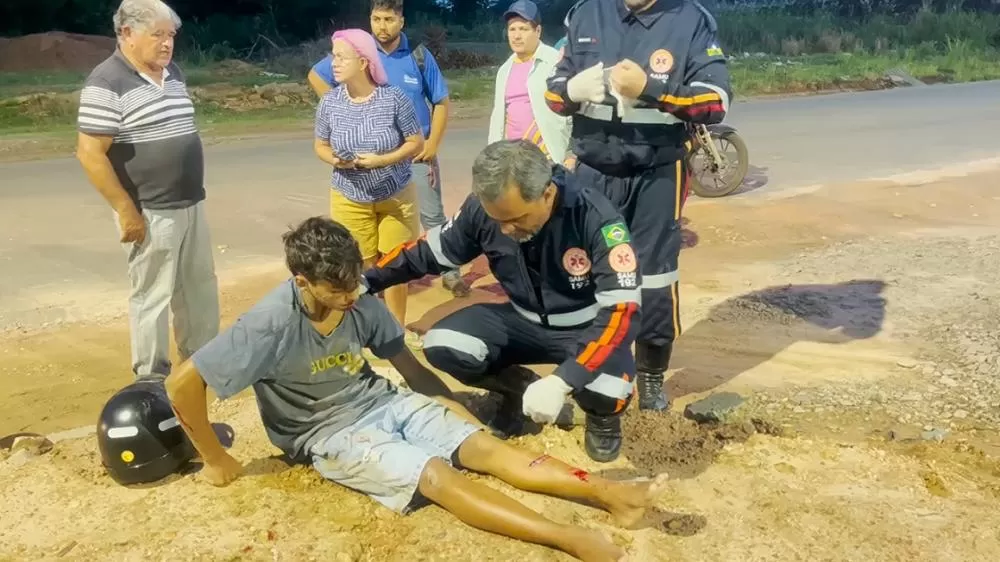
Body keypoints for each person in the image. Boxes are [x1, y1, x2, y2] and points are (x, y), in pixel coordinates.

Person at [164, 216, 668, 562]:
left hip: (379, 401)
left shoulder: (357, 297)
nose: (350, 296)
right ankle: (568, 539)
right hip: (327, 433)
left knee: (483, 448)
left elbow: (409, 369)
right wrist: (214, 458)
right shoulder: (268, 324)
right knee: (436, 477)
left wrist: (454, 411)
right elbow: (183, 383)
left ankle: (609, 494)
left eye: (354, 283)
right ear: (302, 281)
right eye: (336, 289)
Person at [365, 140, 642, 463]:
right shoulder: (485, 210)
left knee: (609, 392)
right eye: (497, 220)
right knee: (444, 344)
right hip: (521, 319)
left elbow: (623, 311)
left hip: (585, 325)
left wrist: (565, 380)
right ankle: (515, 390)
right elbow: (427, 254)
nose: (505, 229)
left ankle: (601, 419)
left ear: (547, 194)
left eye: (516, 219)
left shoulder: (595, 218)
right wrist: (367, 282)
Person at [545, 0, 732, 412]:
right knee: (581, 273)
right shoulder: (585, 14)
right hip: (592, 170)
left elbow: (716, 103)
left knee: (654, 279)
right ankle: (581, 371)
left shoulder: (691, 20)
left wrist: (652, 89)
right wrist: (571, 92)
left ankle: (649, 378)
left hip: (657, 172)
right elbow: (552, 93)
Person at [75, 0, 220, 381]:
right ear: (127, 34)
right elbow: (90, 153)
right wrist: (125, 210)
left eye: (171, 35)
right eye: (158, 35)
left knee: (199, 290)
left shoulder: (173, 73)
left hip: (190, 203)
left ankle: (199, 370)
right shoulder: (106, 82)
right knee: (152, 298)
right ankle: (152, 380)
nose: (167, 44)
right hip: (150, 210)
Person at [307, 0, 470, 299]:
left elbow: (441, 102)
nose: (382, 26)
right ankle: (378, 290)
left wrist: (432, 143)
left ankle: (449, 271)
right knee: (366, 243)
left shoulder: (418, 56)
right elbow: (316, 75)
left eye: (389, 19)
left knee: (431, 215)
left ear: (401, 22)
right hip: (363, 167)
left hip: (414, 151)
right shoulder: (358, 50)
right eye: (376, 18)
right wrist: (341, 107)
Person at [313, 29, 424, 349]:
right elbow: (319, 145)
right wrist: (334, 158)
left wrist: (383, 160)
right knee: (358, 266)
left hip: (395, 195)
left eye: (340, 57)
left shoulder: (394, 99)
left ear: (363, 62)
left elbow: (415, 142)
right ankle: (364, 330)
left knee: (395, 265)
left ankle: (396, 332)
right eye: (333, 56)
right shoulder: (331, 102)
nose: (333, 63)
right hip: (350, 196)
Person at [487, 1, 572, 167]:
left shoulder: (555, 62)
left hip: (547, 158)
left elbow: (572, 111)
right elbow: (498, 118)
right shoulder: (504, 70)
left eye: (523, 29)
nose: (516, 36)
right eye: (512, 29)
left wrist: (571, 154)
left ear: (538, 31)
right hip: (512, 161)